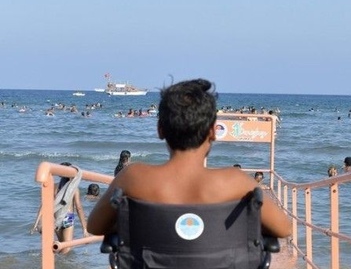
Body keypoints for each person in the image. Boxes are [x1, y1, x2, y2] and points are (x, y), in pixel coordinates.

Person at [88, 78, 292, 241]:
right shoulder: (236, 181)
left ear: (160, 130)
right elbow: (284, 229)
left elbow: (94, 226)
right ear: (213, 132)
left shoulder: (133, 177)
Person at [30, 161, 88, 253]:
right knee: (66, 248)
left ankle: (56, 260)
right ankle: (63, 261)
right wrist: (84, 229)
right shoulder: (74, 189)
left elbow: (44, 205)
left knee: (60, 245)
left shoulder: (53, 186)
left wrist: (36, 223)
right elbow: (79, 208)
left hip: (55, 217)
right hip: (67, 217)